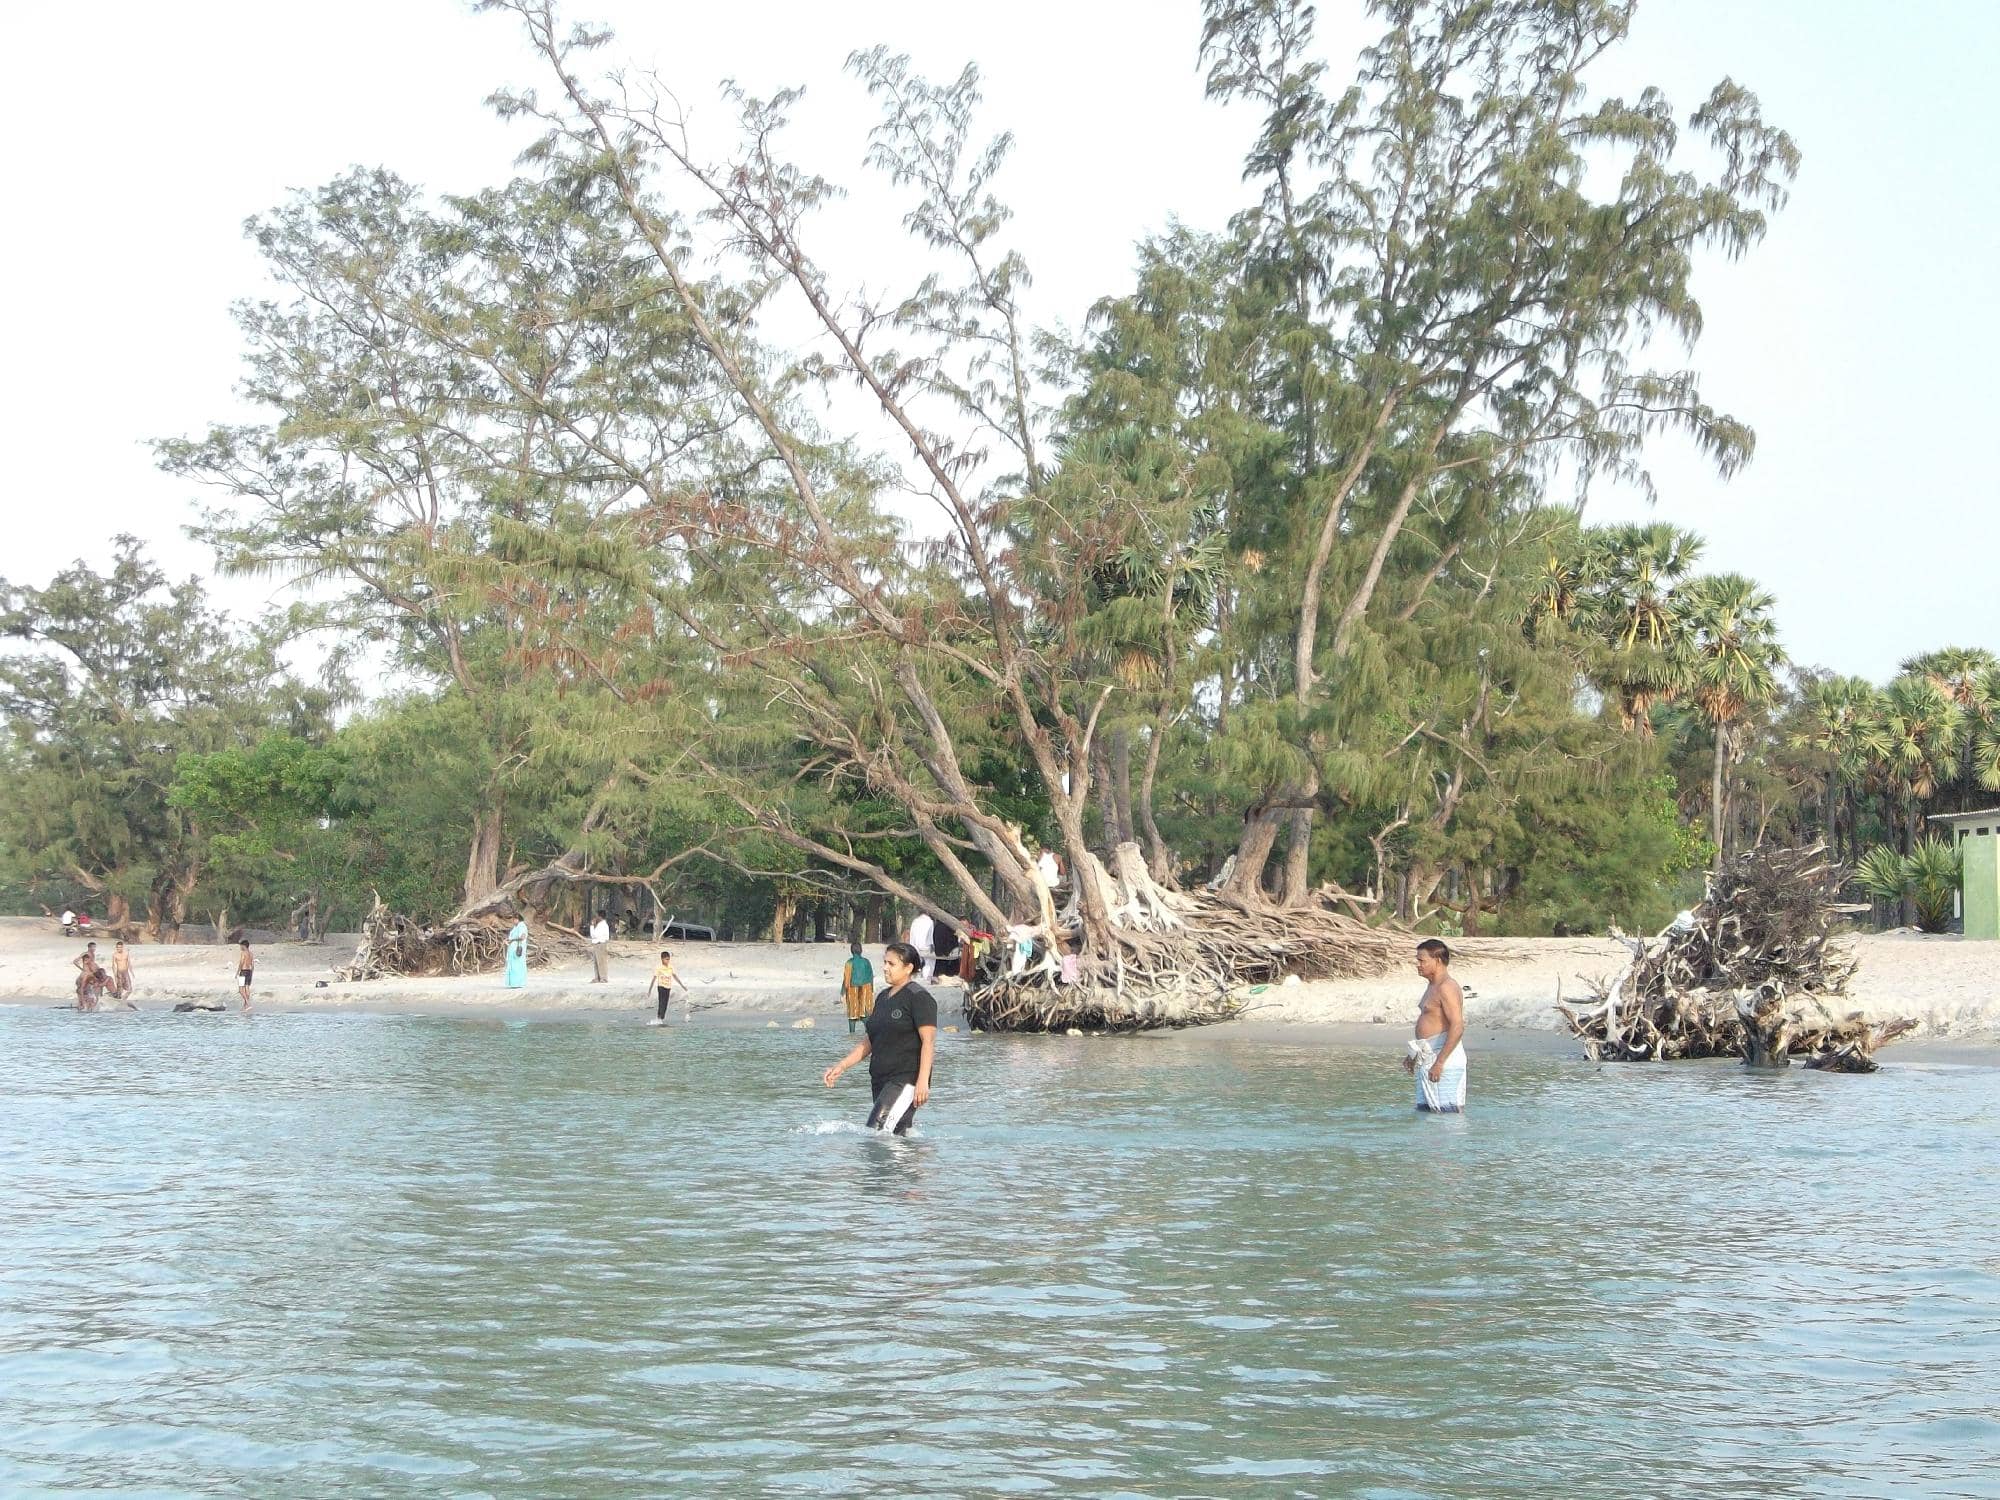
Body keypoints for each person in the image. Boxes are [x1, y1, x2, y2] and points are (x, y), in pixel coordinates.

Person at [822, 941, 937, 1136]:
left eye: (891, 964)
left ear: (908, 968)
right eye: (885, 962)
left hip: (905, 1079)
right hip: (880, 1079)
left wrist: (923, 1082)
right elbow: (870, 1041)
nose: (885, 968)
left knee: (875, 1132)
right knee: (895, 1134)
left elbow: (929, 1042)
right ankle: (914, 1164)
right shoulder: (883, 998)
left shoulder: (919, 997)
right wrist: (841, 1066)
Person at [1404, 938, 1466, 1113]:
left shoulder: (1447, 987)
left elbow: (1458, 1026)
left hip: (1444, 1060)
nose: (1418, 964)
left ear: (1437, 961)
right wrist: (1413, 1056)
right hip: (1428, 1057)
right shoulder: (1433, 985)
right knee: (1425, 1114)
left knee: (1447, 1115)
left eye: (1421, 960)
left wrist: (1439, 1062)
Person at [840, 941, 874, 1033]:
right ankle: (869, 1034)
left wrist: (842, 992)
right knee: (865, 1014)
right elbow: (871, 976)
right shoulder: (866, 961)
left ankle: (852, 1034)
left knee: (852, 1015)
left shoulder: (849, 963)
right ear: (861, 951)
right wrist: (872, 990)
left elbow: (846, 979)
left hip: (852, 989)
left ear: (851, 951)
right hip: (866, 988)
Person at [647, 949, 677, 1027]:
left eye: (668, 959)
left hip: (668, 987)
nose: (668, 961)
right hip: (661, 986)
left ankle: (661, 1018)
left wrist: (683, 986)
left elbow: (675, 976)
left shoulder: (670, 967)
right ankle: (658, 1018)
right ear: (662, 959)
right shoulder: (659, 967)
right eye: (666, 959)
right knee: (661, 1002)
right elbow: (654, 978)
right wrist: (649, 990)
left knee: (665, 1003)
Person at [73, 942, 105, 1010]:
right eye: (92, 947)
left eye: (95, 947)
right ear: (89, 947)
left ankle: (93, 1002)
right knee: (82, 989)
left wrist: (98, 969)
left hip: (91, 973)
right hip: (85, 974)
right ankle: (82, 1004)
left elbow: (92, 964)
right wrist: (82, 969)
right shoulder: (85, 953)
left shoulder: (93, 954)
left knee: (96, 985)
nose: (94, 949)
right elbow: (75, 961)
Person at [908, 910, 936, 984]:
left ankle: (916, 976)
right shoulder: (930, 922)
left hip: (916, 945)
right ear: (927, 913)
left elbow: (912, 934)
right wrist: (932, 945)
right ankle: (927, 978)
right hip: (926, 946)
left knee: (918, 961)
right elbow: (930, 936)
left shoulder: (915, 921)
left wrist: (912, 945)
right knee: (929, 962)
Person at [505, 913, 529, 989]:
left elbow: (522, 937)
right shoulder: (515, 927)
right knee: (513, 966)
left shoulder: (522, 926)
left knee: (518, 966)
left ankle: (518, 983)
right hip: (512, 949)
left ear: (518, 919)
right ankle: (513, 983)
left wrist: (512, 940)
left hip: (517, 949)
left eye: (514, 919)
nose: (513, 921)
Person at [110, 941, 136, 1005]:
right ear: (116, 948)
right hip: (119, 972)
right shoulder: (114, 954)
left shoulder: (126, 953)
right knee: (120, 989)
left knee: (130, 989)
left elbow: (129, 963)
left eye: (120, 947)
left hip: (126, 972)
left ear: (122, 947)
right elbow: (113, 965)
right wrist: (115, 975)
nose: (119, 949)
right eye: (118, 948)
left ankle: (123, 999)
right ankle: (118, 1001)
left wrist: (132, 972)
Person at [589, 913, 612, 984]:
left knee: (601, 962)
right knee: (596, 962)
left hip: (600, 944)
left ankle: (603, 978)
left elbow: (594, 935)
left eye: (596, 916)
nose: (595, 918)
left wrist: (592, 926)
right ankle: (597, 977)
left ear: (600, 917)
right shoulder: (600, 925)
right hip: (597, 944)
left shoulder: (602, 925)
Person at [236, 939, 255, 1012]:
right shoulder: (251, 953)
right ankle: (245, 1007)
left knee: (241, 990)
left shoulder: (243, 953)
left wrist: (237, 972)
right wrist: (251, 973)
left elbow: (241, 962)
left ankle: (248, 1004)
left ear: (244, 946)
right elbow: (253, 965)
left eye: (241, 946)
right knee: (247, 988)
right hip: (249, 971)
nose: (240, 947)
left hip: (243, 971)